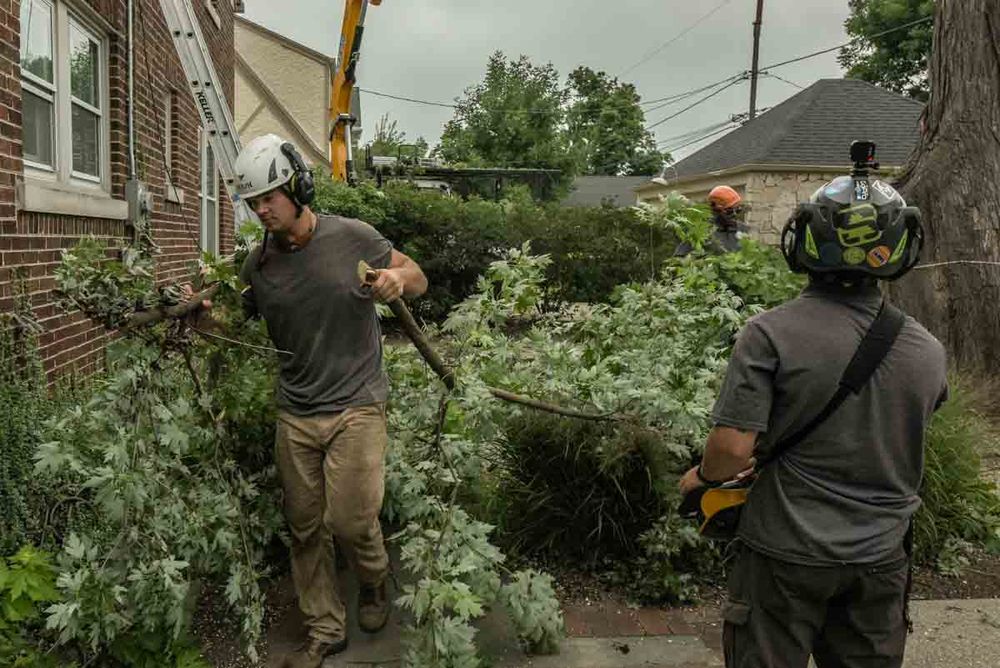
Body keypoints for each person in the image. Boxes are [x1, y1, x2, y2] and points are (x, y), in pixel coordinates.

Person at [679, 159, 947, 667]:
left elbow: (731, 453)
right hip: (880, 558)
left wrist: (699, 477)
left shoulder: (770, 334)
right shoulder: (927, 349)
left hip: (783, 554)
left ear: (805, 238)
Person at [233, 134, 428, 668]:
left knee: (350, 521)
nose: (262, 208)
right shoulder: (259, 266)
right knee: (304, 526)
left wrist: (395, 279)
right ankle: (324, 628)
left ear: (298, 185)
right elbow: (232, 318)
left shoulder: (354, 237)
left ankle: (372, 581)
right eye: (253, 201)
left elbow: (418, 277)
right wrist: (192, 315)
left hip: (358, 404)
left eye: (270, 195)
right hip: (296, 412)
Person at [674, 185, 750, 257]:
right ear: (715, 210)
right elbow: (678, 260)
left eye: (738, 210)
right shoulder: (701, 232)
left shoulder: (744, 230)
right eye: (729, 211)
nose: (734, 214)